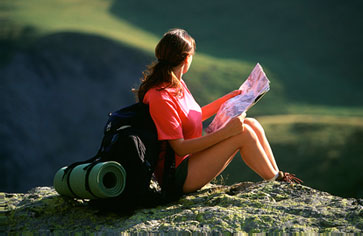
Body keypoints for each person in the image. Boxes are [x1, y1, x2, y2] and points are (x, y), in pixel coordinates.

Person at [134, 28, 301, 196]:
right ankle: (277, 185)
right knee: (244, 134)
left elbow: (193, 116)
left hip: (190, 161)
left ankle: (278, 178)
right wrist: (226, 133)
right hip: (176, 177)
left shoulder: (176, 83)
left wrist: (227, 99)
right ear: (186, 58)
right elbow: (180, 148)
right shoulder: (161, 97)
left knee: (252, 124)